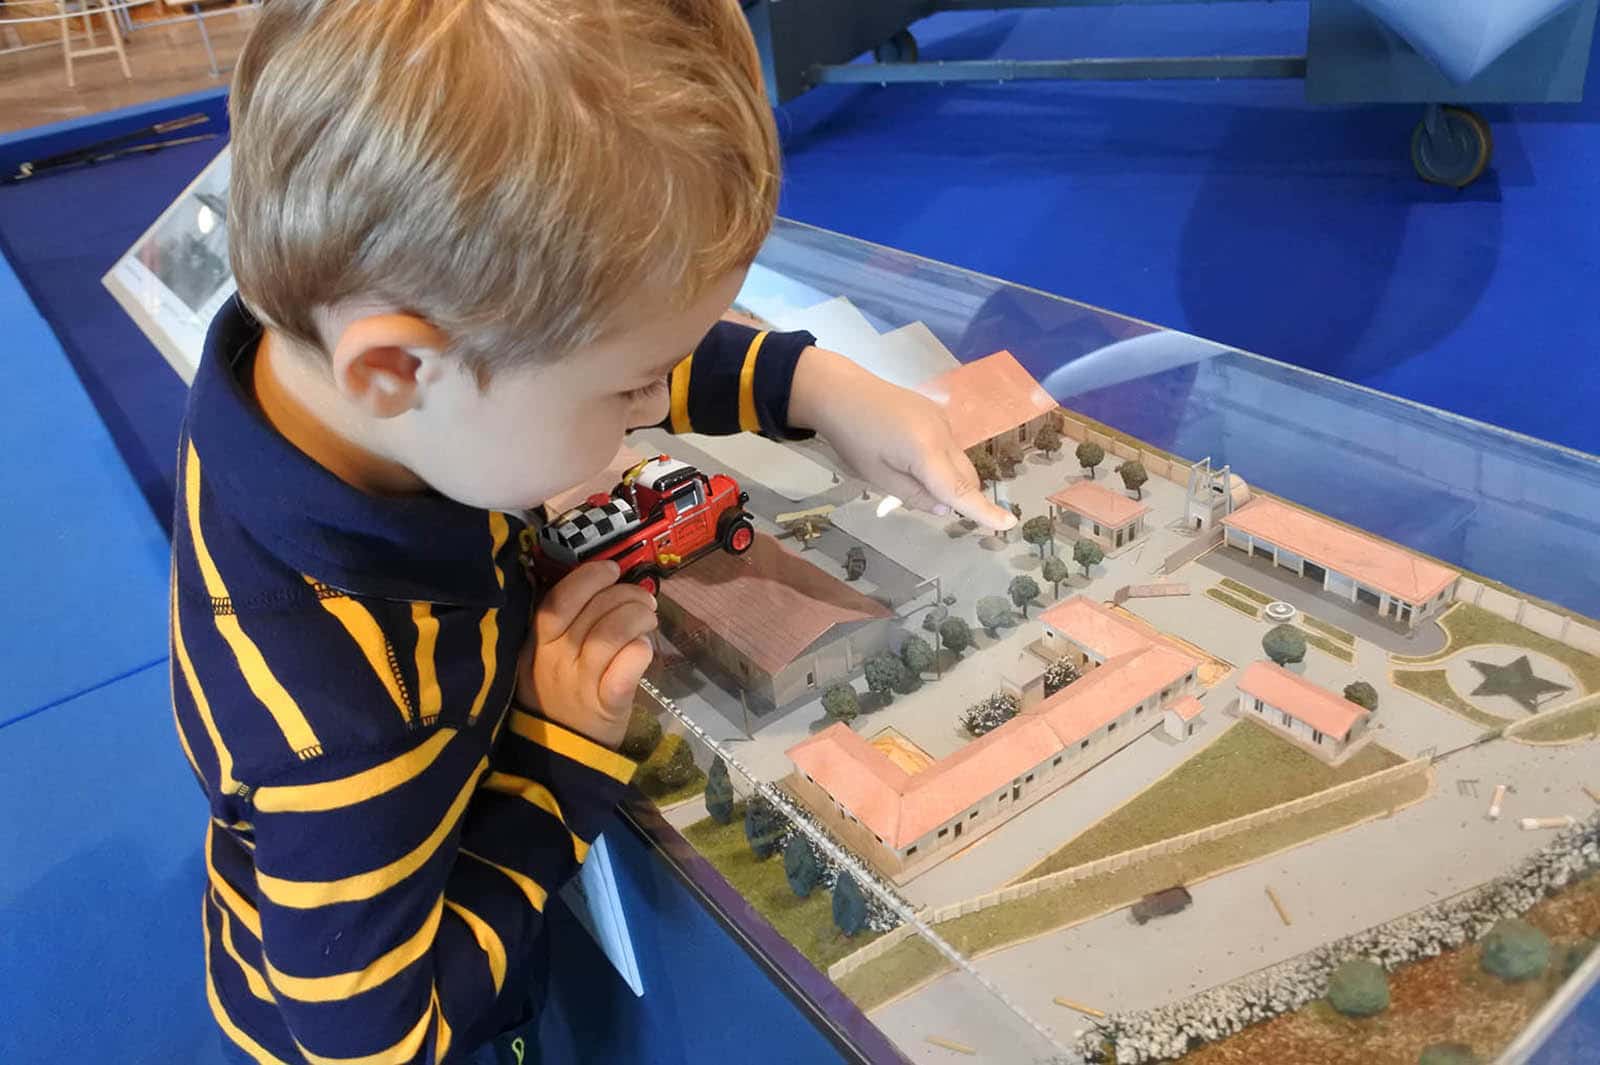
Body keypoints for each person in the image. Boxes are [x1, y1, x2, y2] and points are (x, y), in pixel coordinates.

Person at [173, 2, 1014, 1063]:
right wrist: (550, 755)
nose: (646, 409)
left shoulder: (302, 366)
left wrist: (814, 383)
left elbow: (580, 338)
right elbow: (370, 1044)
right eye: (626, 393)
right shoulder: (343, 724)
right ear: (394, 370)